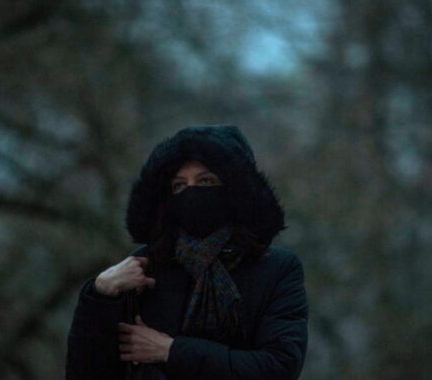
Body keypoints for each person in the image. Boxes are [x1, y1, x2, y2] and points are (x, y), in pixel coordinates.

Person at [65, 126, 308, 380]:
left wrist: (170, 351)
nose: (192, 192)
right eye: (179, 186)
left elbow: (279, 367)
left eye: (205, 181)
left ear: (236, 189)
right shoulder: (143, 268)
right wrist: (100, 294)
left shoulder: (276, 268)